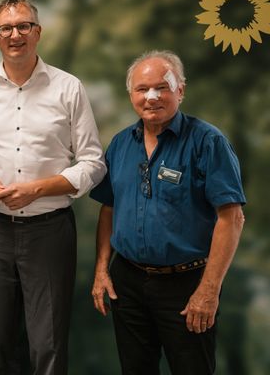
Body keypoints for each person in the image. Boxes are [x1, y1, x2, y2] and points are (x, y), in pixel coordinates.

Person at [0, 0, 106, 374]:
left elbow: (93, 163)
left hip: (50, 230)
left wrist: (38, 188)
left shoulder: (68, 88)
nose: (15, 34)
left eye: (23, 26)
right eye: (6, 28)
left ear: (37, 32)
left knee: (49, 341)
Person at [90, 50, 246, 374]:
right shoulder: (120, 144)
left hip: (187, 286)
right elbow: (109, 207)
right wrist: (102, 269)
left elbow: (231, 218)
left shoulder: (208, 142)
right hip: (127, 282)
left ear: (181, 90)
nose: (151, 97)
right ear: (131, 94)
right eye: (142, 88)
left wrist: (209, 290)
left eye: (162, 87)